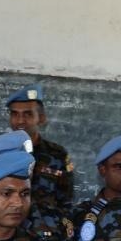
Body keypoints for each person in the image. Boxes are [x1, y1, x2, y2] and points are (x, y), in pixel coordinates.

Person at [6, 83, 73, 213]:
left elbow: (66, 201)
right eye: (15, 114)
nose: (20, 121)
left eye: (28, 114)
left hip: (45, 224)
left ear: (41, 118)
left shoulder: (58, 155)